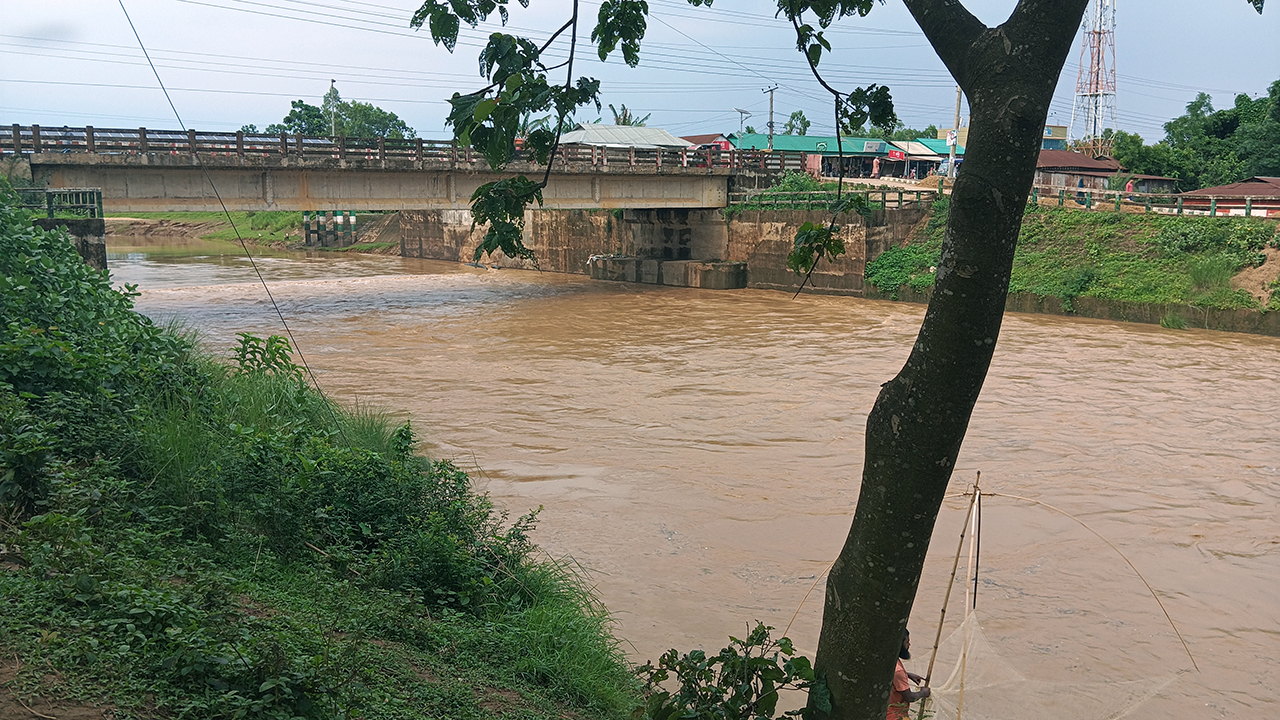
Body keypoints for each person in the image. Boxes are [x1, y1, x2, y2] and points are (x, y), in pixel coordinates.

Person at [888, 628, 930, 720]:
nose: (909, 645)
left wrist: (907, 674)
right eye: (907, 642)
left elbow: (891, 674)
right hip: (895, 716)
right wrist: (923, 693)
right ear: (899, 644)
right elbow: (909, 697)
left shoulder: (888, 660)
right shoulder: (898, 671)